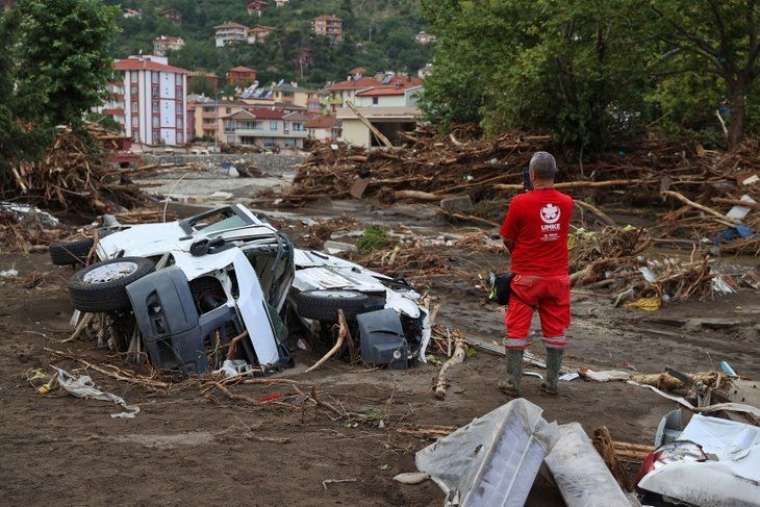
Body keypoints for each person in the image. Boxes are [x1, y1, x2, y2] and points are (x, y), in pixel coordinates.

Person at [498, 152, 573, 395]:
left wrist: (518, 252)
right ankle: (552, 383)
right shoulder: (567, 202)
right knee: (555, 331)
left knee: (517, 332)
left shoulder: (519, 202)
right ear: (554, 174)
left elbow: (508, 238)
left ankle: (513, 383)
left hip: (526, 281)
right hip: (557, 280)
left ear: (531, 175)